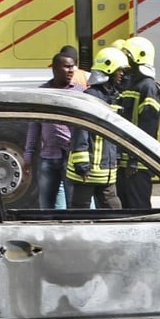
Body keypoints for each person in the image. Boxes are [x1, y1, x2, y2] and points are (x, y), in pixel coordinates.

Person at [66, 47, 126, 209]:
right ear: (109, 68)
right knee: (81, 211)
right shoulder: (91, 96)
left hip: (105, 170)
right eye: (119, 70)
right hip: (88, 170)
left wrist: (116, 157)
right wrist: (82, 164)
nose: (121, 74)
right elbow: (81, 130)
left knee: (113, 208)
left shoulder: (111, 96)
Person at [25, 51, 86, 208]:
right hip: (48, 158)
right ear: (54, 68)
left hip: (71, 160)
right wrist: (28, 155)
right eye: (66, 67)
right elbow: (34, 126)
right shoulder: (42, 93)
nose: (71, 70)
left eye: (72, 67)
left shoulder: (80, 93)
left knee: (74, 205)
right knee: (46, 206)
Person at [117, 36, 160, 208]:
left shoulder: (148, 87)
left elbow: (147, 127)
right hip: (125, 161)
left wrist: (134, 160)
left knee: (138, 208)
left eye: (128, 56)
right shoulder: (131, 84)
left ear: (138, 57)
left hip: (138, 165)